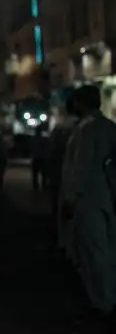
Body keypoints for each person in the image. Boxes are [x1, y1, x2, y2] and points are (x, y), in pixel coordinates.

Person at [61, 85, 116, 318]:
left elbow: (80, 168)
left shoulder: (85, 129)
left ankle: (103, 301)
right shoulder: (109, 127)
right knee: (107, 248)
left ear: (81, 104)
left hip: (88, 199)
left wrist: (71, 198)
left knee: (94, 252)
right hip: (105, 196)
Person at [48, 95, 79, 253]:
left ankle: (63, 244)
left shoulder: (60, 128)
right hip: (85, 180)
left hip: (61, 175)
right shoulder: (88, 127)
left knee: (61, 212)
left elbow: (51, 153)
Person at [31, 122, 48, 192]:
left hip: (36, 157)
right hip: (41, 157)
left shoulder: (33, 139)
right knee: (43, 173)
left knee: (35, 173)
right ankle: (43, 185)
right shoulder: (43, 139)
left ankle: (36, 186)